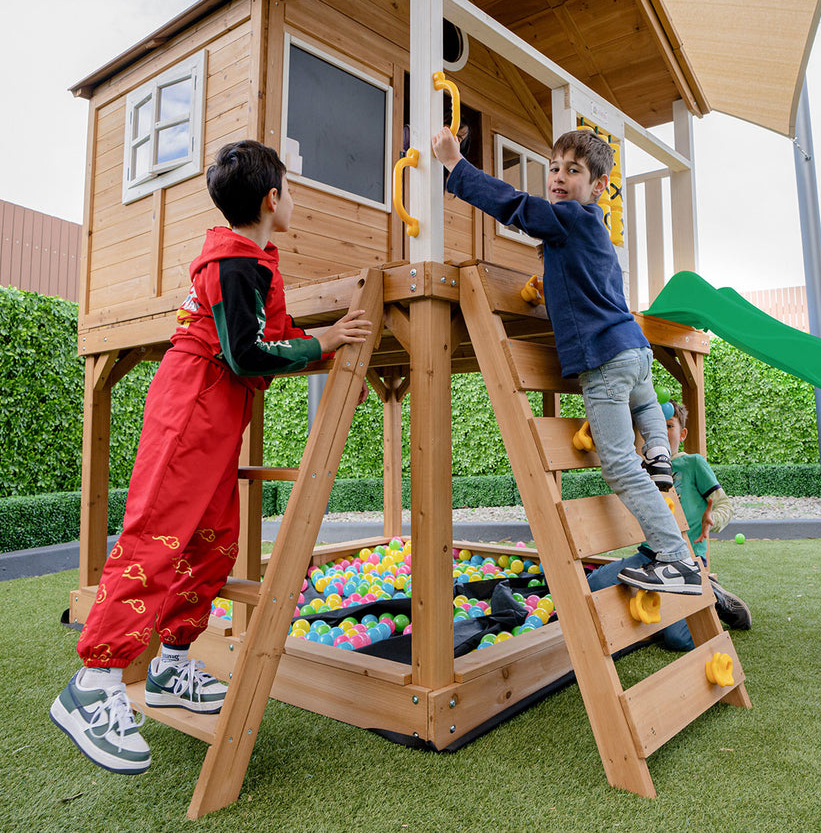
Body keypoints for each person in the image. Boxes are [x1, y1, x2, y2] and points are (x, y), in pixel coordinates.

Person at [50, 140, 372, 775]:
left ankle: (171, 664)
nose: (294, 199)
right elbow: (247, 354)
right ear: (272, 199)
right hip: (192, 404)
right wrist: (324, 340)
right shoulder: (232, 263)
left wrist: (327, 344)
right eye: (290, 189)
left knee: (216, 535)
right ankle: (92, 683)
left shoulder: (254, 259)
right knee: (158, 532)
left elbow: (268, 338)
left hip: (216, 407)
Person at [432, 125, 701, 595]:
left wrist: (457, 165)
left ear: (597, 186)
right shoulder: (594, 234)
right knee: (644, 405)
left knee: (618, 466)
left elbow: (514, 205)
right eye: (553, 168)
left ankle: (676, 559)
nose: (557, 177)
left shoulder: (570, 217)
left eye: (572, 170)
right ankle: (659, 454)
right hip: (635, 351)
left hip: (605, 361)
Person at [587, 399, 752, 651]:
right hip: (649, 557)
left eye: (669, 426)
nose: (662, 433)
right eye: (653, 428)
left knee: (677, 639)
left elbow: (724, 505)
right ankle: (679, 600)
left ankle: (714, 596)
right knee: (594, 584)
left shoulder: (693, 464)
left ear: (682, 433)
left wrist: (713, 519)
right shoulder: (640, 471)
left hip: (686, 561)